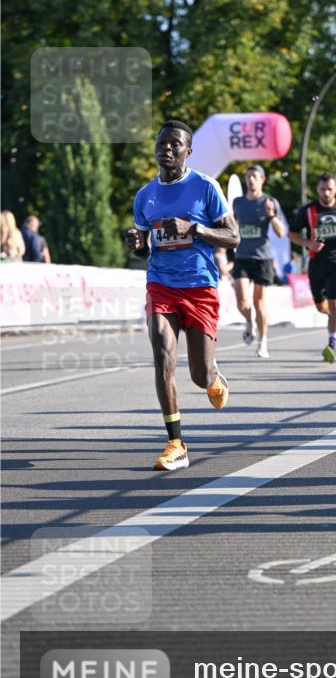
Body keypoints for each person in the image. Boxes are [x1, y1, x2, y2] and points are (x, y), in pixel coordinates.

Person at [125, 119, 240, 472]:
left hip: (200, 286)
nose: (167, 148)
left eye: (175, 144)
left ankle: (213, 377)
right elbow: (146, 249)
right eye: (162, 142)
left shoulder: (205, 187)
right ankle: (176, 443)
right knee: (162, 354)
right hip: (161, 284)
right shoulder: (144, 196)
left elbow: (233, 237)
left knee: (199, 375)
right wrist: (137, 244)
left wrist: (196, 229)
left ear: (188, 151)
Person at [288, 172, 336, 362]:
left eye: (329, 189)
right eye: (322, 189)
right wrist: (308, 243)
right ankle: (332, 317)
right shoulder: (308, 211)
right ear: (317, 189)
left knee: (335, 304)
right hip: (316, 263)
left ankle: (332, 344)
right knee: (322, 307)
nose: (326, 193)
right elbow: (292, 233)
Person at [231, 165, 285, 359]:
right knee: (241, 300)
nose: (251, 179)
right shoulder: (238, 203)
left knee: (259, 302)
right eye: (248, 176)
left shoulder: (269, 201)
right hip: (242, 256)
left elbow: (281, 233)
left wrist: (271, 215)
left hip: (262, 258)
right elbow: (233, 226)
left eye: (254, 176)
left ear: (262, 179)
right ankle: (249, 322)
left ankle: (263, 342)